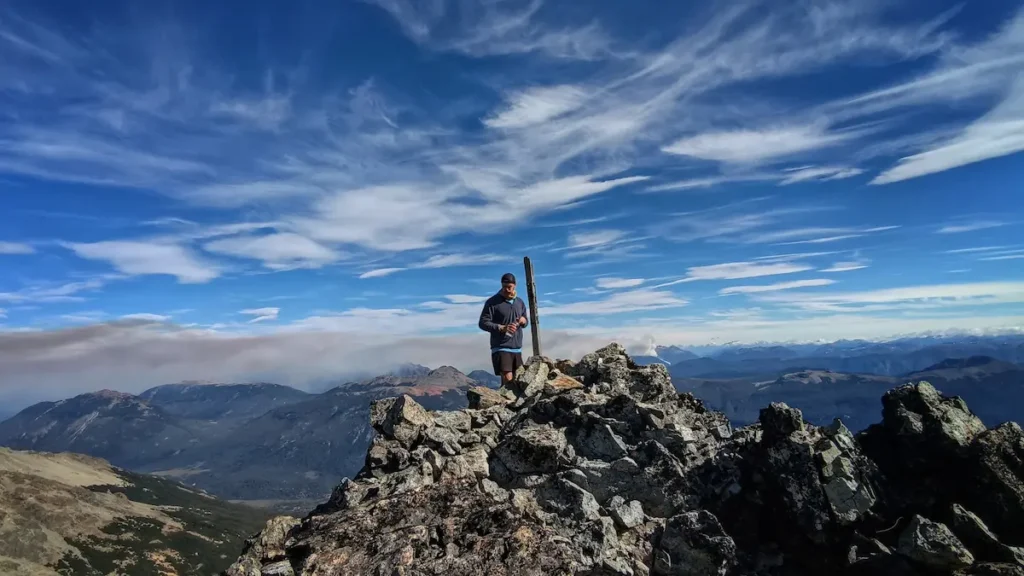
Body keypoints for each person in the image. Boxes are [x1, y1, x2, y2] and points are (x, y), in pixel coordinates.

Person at [478, 272, 529, 384]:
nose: (506, 289)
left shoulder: (519, 302)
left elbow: (525, 320)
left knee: (518, 382)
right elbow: (482, 323)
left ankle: (505, 401)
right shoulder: (492, 302)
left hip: (517, 348)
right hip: (500, 347)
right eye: (504, 287)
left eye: (509, 287)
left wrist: (523, 321)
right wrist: (501, 328)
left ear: (514, 285)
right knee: (508, 379)